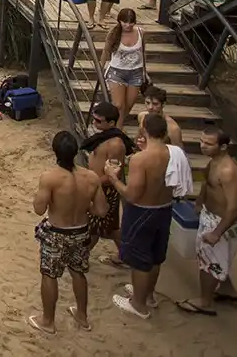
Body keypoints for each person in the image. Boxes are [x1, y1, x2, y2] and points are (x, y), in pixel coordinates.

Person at [29, 131, 107, 335]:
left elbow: (39, 208)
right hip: (81, 231)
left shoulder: (50, 177)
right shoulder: (91, 177)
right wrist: (82, 205)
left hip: (57, 232)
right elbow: (101, 210)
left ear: (55, 151)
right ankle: (82, 315)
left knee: (49, 274)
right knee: (78, 272)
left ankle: (48, 320)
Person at [106, 112, 173, 319]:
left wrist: (113, 178)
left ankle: (138, 304)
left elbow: (132, 195)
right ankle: (148, 295)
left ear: (145, 130)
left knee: (139, 259)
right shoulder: (174, 153)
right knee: (155, 256)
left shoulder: (140, 159)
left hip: (142, 211)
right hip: (165, 208)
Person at [179, 126, 237, 316]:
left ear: (223, 147)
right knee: (214, 258)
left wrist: (217, 233)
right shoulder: (213, 162)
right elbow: (207, 184)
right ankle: (226, 289)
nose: (202, 146)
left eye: (208, 144)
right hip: (210, 215)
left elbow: (233, 208)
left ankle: (205, 301)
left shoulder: (228, 171)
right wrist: (199, 202)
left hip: (222, 222)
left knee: (209, 262)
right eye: (201, 141)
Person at [81, 101, 134, 266]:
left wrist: (92, 183)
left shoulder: (116, 144)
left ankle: (82, 256)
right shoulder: (104, 137)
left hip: (104, 190)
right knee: (111, 227)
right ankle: (126, 256)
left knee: (95, 226)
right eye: (94, 119)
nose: (94, 123)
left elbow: (114, 173)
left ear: (111, 123)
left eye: (98, 121)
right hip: (97, 186)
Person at [100, 9, 145, 131]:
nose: (128, 25)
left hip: (136, 71)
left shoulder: (141, 32)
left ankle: (114, 124)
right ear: (119, 21)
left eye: (131, 22)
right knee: (119, 105)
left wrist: (144, 70)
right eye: (125, 22)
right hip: (117, 71)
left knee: (129, 104)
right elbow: (106, 50)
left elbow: (143, 52)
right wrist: (101, 65)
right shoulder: (114, 33)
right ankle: (117, 131)